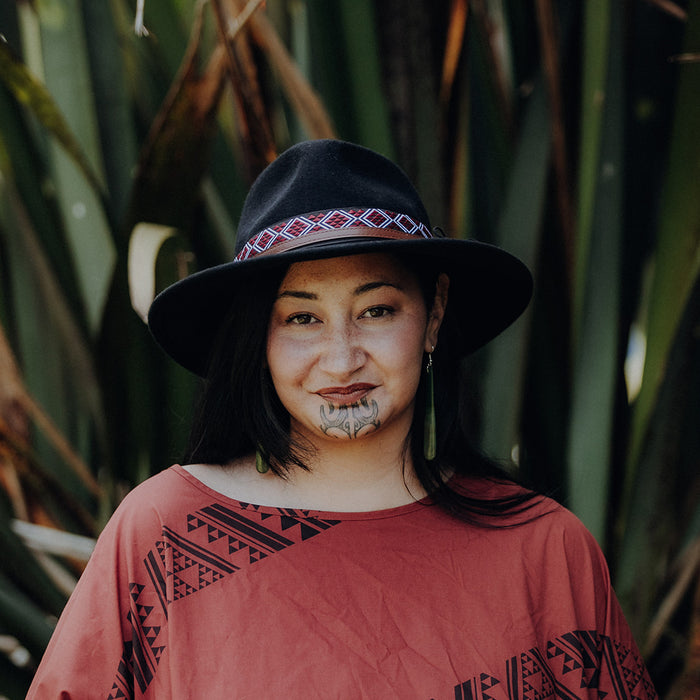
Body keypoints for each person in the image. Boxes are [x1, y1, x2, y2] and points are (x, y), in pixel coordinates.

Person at [27, 140, 657, 699]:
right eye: (302, 318)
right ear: (259, 338)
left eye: (377, 310)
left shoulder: (544, 551)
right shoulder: (164, 536)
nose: (341, 356)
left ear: (433, 314)